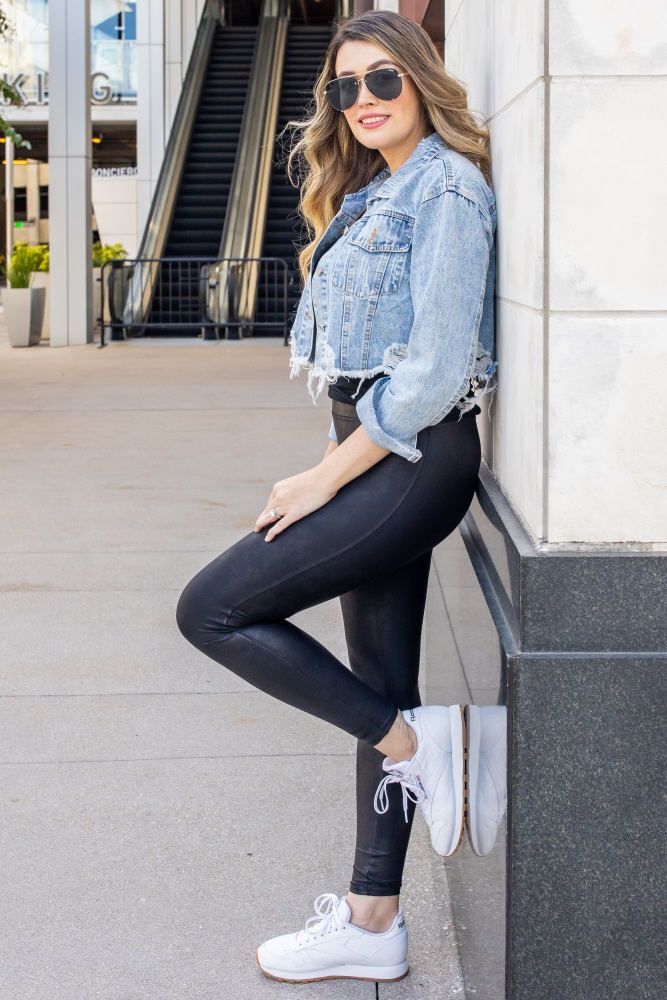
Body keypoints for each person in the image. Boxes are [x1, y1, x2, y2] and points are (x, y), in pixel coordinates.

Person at [176, 9, 506, 985]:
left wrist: (324, 476)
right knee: (375, 679)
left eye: (381, 82)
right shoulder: (376, 189)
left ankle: (424, 742)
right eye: (344, 87)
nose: (361, 102)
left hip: (413, 462)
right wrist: (334, 454)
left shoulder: (446, 185)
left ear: (420, 80)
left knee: (213, 608)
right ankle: (372, 917)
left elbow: (435, 368)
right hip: (379, 458)